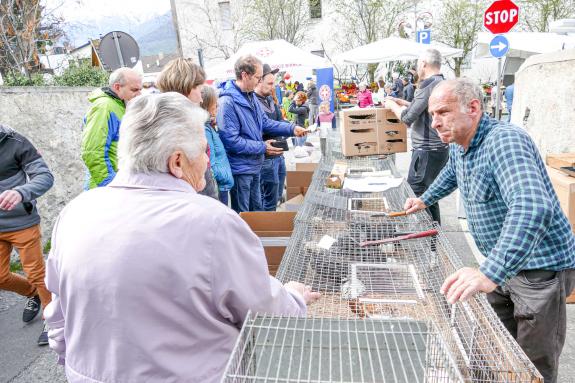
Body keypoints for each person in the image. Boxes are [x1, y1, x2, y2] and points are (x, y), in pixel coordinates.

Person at [44, 93, 320, 383]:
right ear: (177, 161)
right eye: (203, 151)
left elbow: (59, 320)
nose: (207, 161)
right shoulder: (212, 223)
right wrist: (294, 298)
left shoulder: (75, 212)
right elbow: (265, 310)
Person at [404, 78, 575, 383]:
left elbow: (532, 207)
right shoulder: (460, 143)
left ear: (473, 108)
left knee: (532, 364)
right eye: (432, 115)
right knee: (497, 345)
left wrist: (490, 272)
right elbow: (451, 174)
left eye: (443, 112)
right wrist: (424, 199)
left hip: (538, 270)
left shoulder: (504, 141)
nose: (435, 123)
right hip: (502, 264)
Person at [217, 55, 307, 213]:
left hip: (254, 166)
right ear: (245, 75)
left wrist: (292, 128)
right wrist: (262, 147)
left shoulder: (250, 97)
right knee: (244, 215)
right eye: (258, 77)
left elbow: (265, 123)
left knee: (257, 211)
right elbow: (231, 140)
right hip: (241, 170)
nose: (259, 82)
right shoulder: (228, 102)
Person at [0, 125, 54, 346]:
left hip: (21, 222)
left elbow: (45, 176)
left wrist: (21, 192)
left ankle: (53, 319)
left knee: (36, 273)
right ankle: (33, 294)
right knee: (1, 277)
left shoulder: (16, 143)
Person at [385, 48, 448, 224]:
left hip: (426, 152)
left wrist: (391, 105)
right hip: (438, 150)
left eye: (418, 64)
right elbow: (423, 109)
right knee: (430, 195)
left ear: (424, 64)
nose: (416, 69)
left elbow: (407, 118)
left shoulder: (427, 85)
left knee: (414, 194)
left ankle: (417, 237)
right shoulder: (441, 83)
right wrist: (404, 102)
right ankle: (435, 240)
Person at [156, 57, 219, 200]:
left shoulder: (160, 117)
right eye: (200, 90)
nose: (202, 99)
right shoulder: (179, 123)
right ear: (188, 87)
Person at [81, 67, 142, 189]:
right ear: (117, 87)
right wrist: (112, 185)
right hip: (106, 188)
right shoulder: (104, 108)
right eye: (134, 90)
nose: (139, 94)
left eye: (140, 89)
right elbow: (93, 152)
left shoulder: (119, 105)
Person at [255, 64, 287, 211]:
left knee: (277, 195)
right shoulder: (253, 102)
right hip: (267, 158)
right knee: (268, 199)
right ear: (258, 81)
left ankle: (272, 220)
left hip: (279, 155)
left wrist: (292, 128)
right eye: (269, 83)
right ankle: (268, 228)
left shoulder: (270, 100)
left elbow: (280, 122)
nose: (272, 86)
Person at [201, 86, 234, 206]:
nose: (218, 107)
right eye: (215, 104)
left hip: (222, 184)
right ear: (206, 105)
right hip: (220, 186)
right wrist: (223, 177)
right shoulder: (205, 129)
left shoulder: (208, 126)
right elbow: (211, 163)